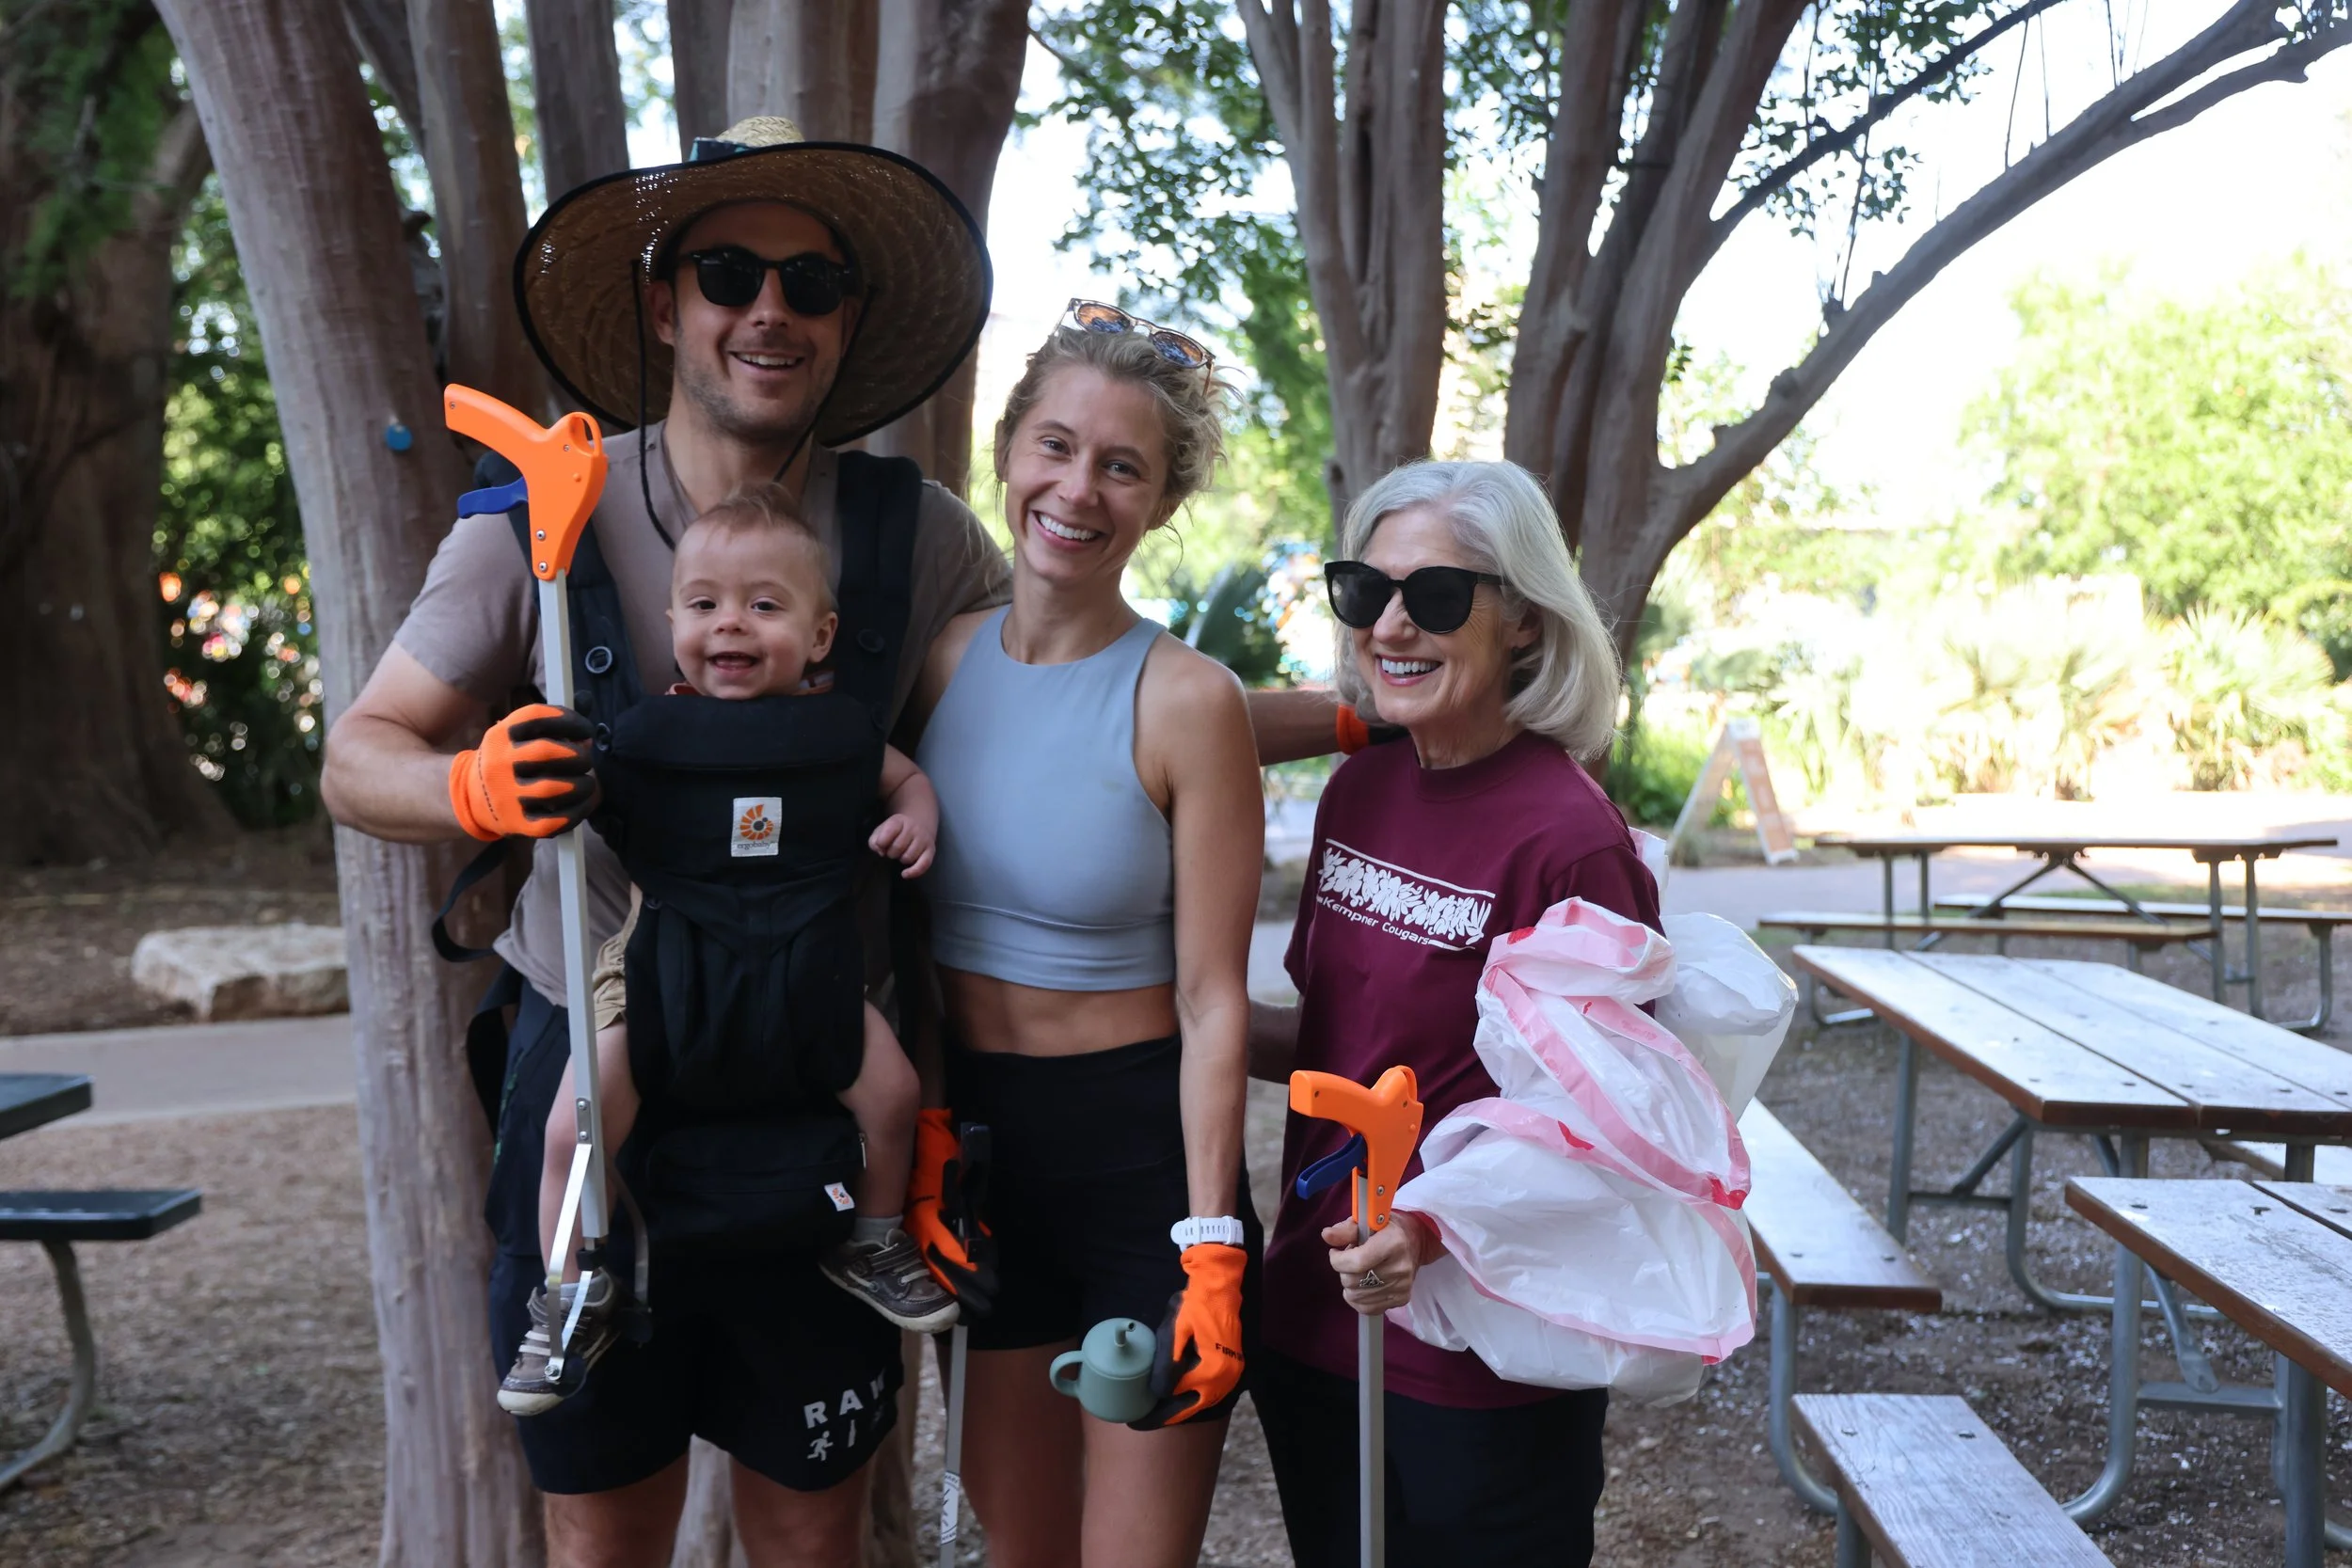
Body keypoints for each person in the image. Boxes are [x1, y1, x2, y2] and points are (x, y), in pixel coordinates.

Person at [323, 118, 1006, 1566]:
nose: (769, 309)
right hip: (604, 1059)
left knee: (812, 1532)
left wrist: (1376, 705)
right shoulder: (536, 527)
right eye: (726, 271)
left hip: (821, 1073)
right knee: (600, 1532)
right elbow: (358, 756)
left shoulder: (920, 538)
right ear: (662, 304)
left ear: (848, 318)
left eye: (810, 282)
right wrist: (474, 789)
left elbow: (1089, 701)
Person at [900, 308, 1263, 1568]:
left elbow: (1218, 1001)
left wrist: (1210, 1241)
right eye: (1055, 446)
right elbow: (906, 950)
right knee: (1019, 1550)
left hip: (1141, 1167)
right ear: (1008, 455)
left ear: (1160, 502)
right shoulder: (937, 669)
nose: (1079, 488)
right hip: (984, 1161)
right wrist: (935, 1129)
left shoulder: (1189, 700)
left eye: (1123, 465)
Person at [1247, 459, 1657, 1568]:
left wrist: (1427, 1227)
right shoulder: (1359, 790)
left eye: (1434, 596)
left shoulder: (1566, 839)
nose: (1392, 624)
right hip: (1316, 1313)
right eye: (1363, 590)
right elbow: (1339, 1041)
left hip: (1479, 1353)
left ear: (1522, 620)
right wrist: (1186, 1020)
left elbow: (1598, 1129)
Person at [496, 484, 957, 1418]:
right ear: (669, 622)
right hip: (665, 950)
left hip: (808, 956)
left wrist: (915, 817)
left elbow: (905, 779)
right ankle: (572, 1287)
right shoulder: (642, 732)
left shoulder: (838, 732)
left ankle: (869, 1235)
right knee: (568, 1130)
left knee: (896, 1092)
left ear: (820, 635)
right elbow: (567, 791)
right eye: (703, 604)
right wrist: (535, 778)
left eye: (763, 603)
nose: (729, 624)